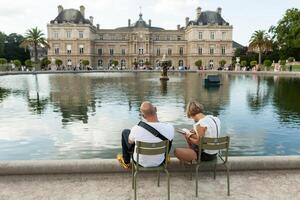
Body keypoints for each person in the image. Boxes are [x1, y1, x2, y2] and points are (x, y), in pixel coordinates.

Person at [117, 101, 174, 169]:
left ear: (143, 116)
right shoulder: (169, 128)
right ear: (156, 109)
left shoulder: (136, 129)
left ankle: (126, 162)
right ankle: (166, 158)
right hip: (160, 161)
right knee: (169, 140)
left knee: (125, 132)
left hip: (139, 162)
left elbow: (130, 142)